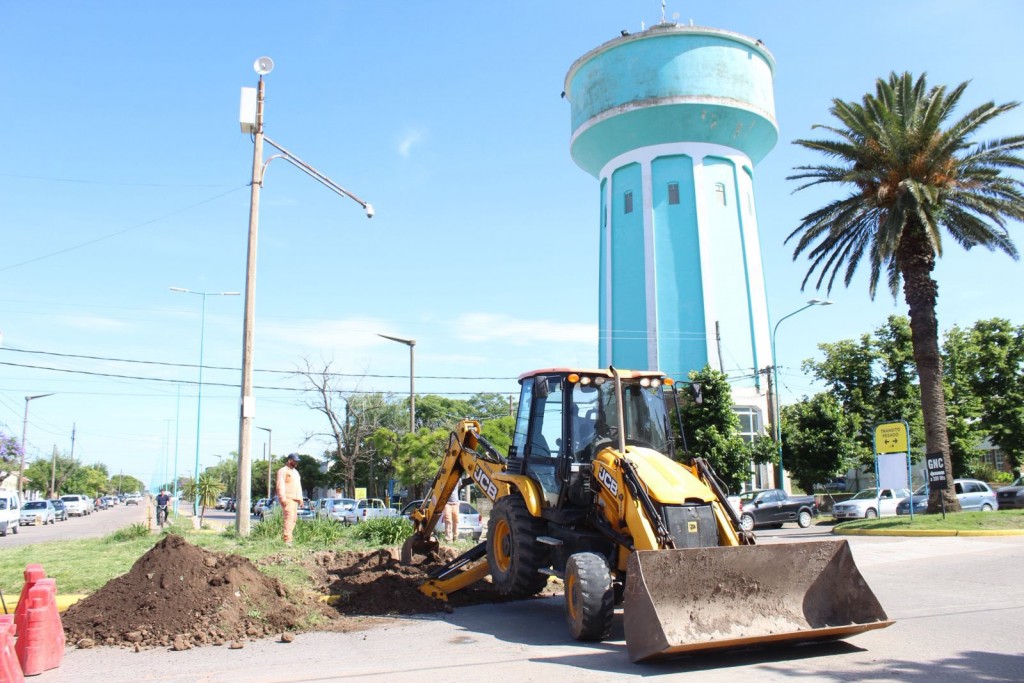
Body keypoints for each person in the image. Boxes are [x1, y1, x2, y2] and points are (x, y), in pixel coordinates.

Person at [275, 453, 303, 545]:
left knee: (294, 519)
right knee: (289, 518)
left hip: (295, 500)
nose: (296, 463)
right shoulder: (283, 471)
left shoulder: (295, 472)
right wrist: (282, 498)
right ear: (289, 460)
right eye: (295, 461)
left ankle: (289, 538)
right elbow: (280, 485)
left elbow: (298, 486)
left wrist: (300, 499)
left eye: (297, 461)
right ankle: (287, 540)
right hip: (288, 498)